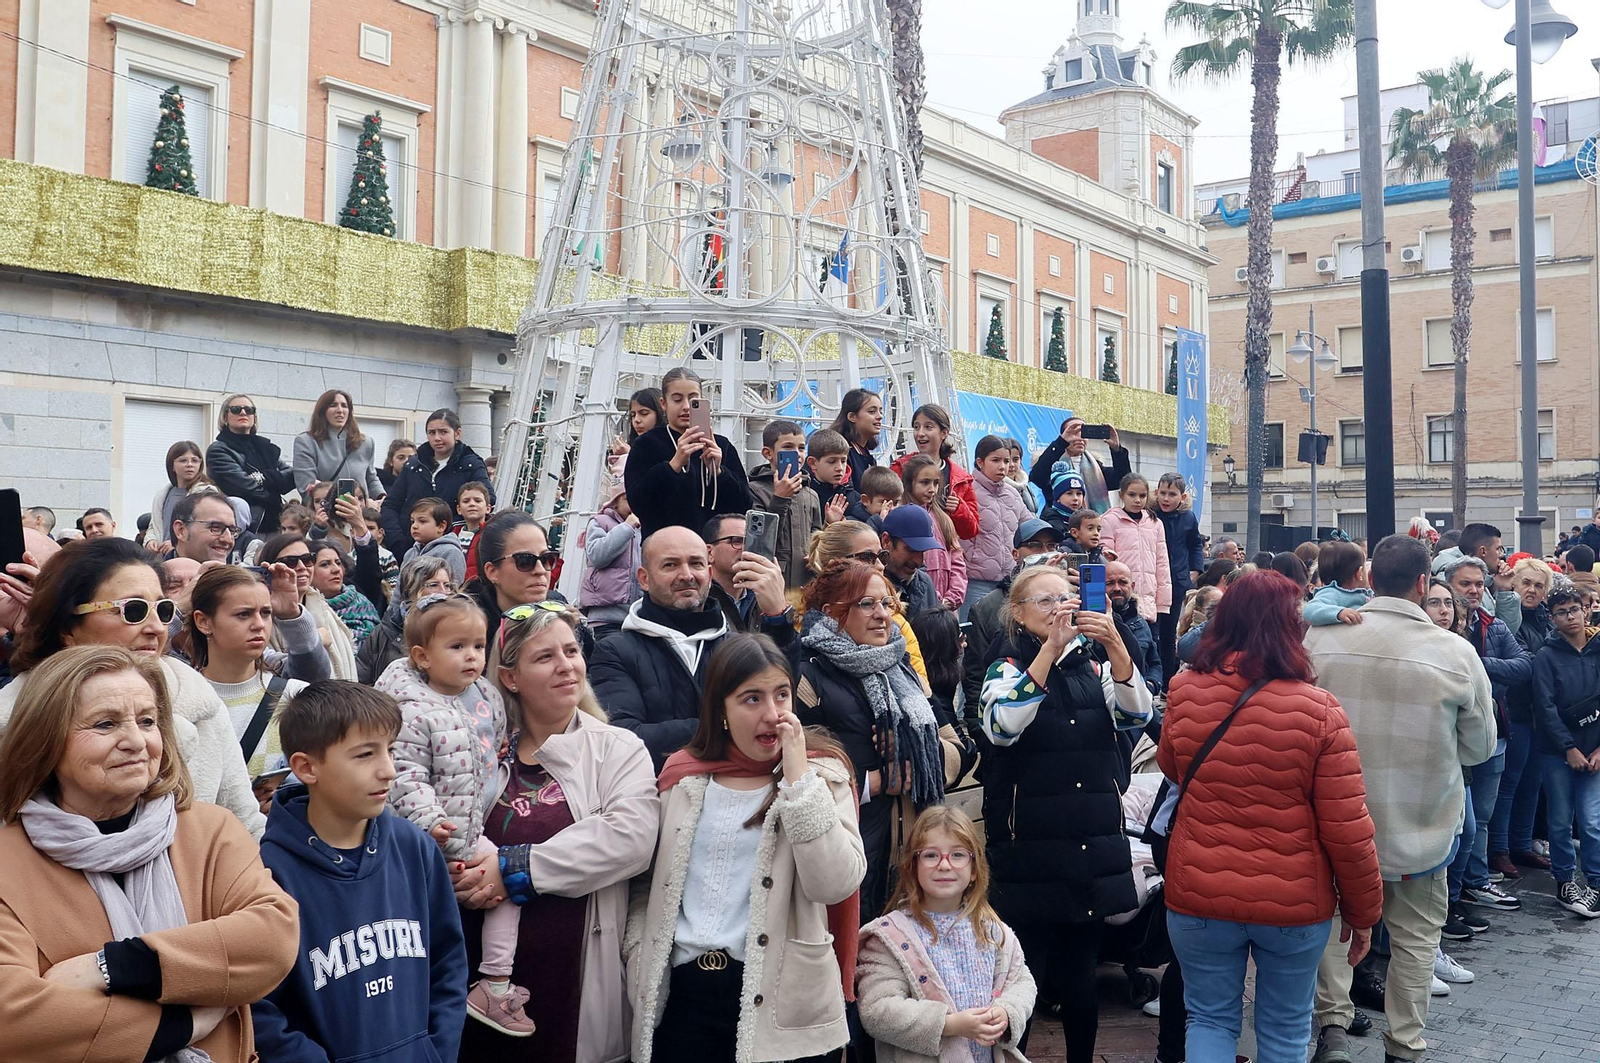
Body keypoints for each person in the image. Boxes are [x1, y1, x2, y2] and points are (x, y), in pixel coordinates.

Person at [0, 645, 298, 1060]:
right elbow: (12, 1019)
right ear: (44, 738)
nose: (136, 741)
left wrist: (112, 967)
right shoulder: (7, 864)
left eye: (147, 721)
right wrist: (181, 1025)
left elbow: (272, 938)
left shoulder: (210, 831)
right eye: (105, 724)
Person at [1160, 570, 1382, 1063]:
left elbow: (1173, 768)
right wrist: (1364, 912)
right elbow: (1347, 827)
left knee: (1210, 1019)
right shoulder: (1319, 709)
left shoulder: (1185, 688)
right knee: (1285, 1030)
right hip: (1293, 898)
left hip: (1200, 889)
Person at [627, 633, 867, 1063]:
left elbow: (835, 884)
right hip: (687, 998)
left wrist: (797, 781)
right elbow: (646, 884)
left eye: (781, 695)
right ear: (721, 709)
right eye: (752, 699)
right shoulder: (682, 777)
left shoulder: (821, 776)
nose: (773, 714)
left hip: (783, 1000)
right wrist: (638, 955)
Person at [1306, 535, 1495, 1063]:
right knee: (1415, 942)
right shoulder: (1455, 653)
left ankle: (1333, 1028)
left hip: (1335, 825)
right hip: (1423, 825)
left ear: (1369, 580)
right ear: (1421, 584)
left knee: (1337, 928)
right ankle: (1404, 1045)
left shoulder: (1319, 641)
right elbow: (1479, 747)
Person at [459, 600, 657, 1062]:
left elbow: (630, 839)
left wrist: (513, 867)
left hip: (573, 974)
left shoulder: (615, 748)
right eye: (545, 656)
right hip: (474, 975)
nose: (567, 665)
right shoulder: (480, 749)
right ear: (510, 677)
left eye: (571, 651)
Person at [979, 565, 1152, 1063]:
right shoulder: (1006, 664)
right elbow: (1002, 726)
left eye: (1064, 598)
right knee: (1023, 977)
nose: (1059, 609)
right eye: (1045, 602)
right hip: (1029, 849)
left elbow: (1137, 714)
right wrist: (1049, 652)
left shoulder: (1093, 666)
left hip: (1090, 843)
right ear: (1018, 612)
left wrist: (1116, 644)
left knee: (1080, 976)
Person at [253, 680, 469, 1063]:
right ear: (306, 767)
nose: (388, 770)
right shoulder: (268, 873)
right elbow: (260, 1009)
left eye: (390, 750)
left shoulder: (414, 847)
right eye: (365, 755)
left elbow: (447, 964)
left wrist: (437, 1050)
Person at [0, 536, 267, 836]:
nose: (155, 628)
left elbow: (247, 825)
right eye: (134, 610)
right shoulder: (14, 721)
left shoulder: (198, 700)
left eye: (163, 610)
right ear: (67, 626)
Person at [370, 592, 538, 1035]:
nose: (472, 657)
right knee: (425, 918)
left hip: (470, 826)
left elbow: (496, 738)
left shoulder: (483, 692)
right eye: (457, 647)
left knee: (506, 887)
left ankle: (495, 983)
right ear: (422, 656)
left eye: (479, 646)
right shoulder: (409, 706)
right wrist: (428, 820)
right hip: (423, 835)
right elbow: (403, 775)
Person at [797, 560, 950, 918]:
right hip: (853, 849)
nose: (883, 615)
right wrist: (873, 783)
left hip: (912, 848)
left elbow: (956, 743)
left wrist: (920, 757)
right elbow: (798, 771)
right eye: (867, 604)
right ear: (832, 613)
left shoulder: (903, 665)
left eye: (888, 603)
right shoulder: (809, 674)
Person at [856, 806, 1036, 1063]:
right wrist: (949, 1025)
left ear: (974, 869)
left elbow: (1023, 982)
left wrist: (1007, 1012)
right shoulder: (891, 937)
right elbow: (877, 1010)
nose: (944, 865)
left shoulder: (992, 931)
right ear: (912, 865)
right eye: (930, 855)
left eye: (958, 855)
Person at [589, 526, 735, 770]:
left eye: (696, 564)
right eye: (670, 565)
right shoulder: (614, 651)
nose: (687, 575)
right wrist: (725, 727)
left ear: (709, 573)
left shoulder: (735, 645)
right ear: (644, 579)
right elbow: (622, 737)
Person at [1443, 554, 1532, 925]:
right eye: (1466, 584)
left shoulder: (1491, 624)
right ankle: (1451, 895)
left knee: (1481, 816)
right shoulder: (1441, 625)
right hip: (1451, 740)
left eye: (1479, 583)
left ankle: (1474, 882)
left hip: (1494, 733)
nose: (1474, 591)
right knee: (1460, 825)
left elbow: (1525, 664)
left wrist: (1479, 665)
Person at [186, 564, 330, 778]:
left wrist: (284, 800)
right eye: (243, 614)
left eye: (266, 613)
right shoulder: (181, 697)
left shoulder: (295, 695)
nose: (259, 624)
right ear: (204, 621)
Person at [1531, 585, 1600, 918]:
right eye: (1562, 612)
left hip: (1595, 750)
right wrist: (1568, 747)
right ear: (1552, 618)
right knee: (1559, 821)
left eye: (1575, 609)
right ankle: (1564, 880)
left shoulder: (1598, 647)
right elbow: (1544, 708)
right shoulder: (1546, 655)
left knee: (1591, 821)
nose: (1570, 617)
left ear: (1585, 610)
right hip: (1556, 751)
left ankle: (1596, 883)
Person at [959, 518, 1065, 731]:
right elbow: (976, 678)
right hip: (1011, 723)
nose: (1044, 551)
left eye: (1051, 546)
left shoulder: (1071, 600)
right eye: (1034, 545)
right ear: (1016, 554)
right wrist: (978, 733)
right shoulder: (988, 607)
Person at [623, 368, 753, 540]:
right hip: (665, 547)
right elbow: (639, 504)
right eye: (677, 399)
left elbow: (744, 506)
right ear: (664, 403)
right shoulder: (647, 444)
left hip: (714, 551)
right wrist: (673, 465)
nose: (685, 406)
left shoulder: (721, 445)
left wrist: (719, 472)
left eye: (693, 399)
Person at [1490, 556, 1556, 881]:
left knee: (1533, 782)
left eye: (1538, 585)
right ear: (1513, 585)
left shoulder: (1547, 620)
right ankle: (1500, 849)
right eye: (1526, 583)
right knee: (1510, 783)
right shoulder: (1510, 623)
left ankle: (1521, 843)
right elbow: (1524, 667)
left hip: (1538, 714)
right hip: (1515, 710)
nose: (1531, 590)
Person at [803, 519, 929, 681]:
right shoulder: (801, 626)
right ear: (834, 565)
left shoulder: (894, 621)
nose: (881, 566)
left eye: (882, 556)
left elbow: (921, 690)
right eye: (867, 557)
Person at [381, 408, 495, 555]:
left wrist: (452, 529)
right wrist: (397, 540)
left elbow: (487, 498)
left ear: (457, 433)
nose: (437, 438)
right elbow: (390, 505)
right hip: (410, 548)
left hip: (452, 547)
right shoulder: (413, 466)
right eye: (431, 433)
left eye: (443, 432)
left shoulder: (471, 464)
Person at [464, 512, 578, 648]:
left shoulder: (560, 608)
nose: (540, 570)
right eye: (524, 561)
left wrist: (575, 632)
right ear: (492, 572)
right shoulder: (464, 627)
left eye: (546, 559)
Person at [259, 533, 359, 681]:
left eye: (308, 559)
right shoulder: (260, 617)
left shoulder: (325, 609)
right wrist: (314, 640)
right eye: (290, 562)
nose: (301, 567)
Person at [748, 419, 824, 591]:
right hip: (772, 582)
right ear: (768, 453)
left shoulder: (811, 494)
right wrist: (780, 498)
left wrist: (816, 556)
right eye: (788, 447)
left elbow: (816, 535)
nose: (797, 453)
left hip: (805, 583)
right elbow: (758, 542)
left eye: (801, 448)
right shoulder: (755, 490)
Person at [207, 393, 298, 534]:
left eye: (249, 410)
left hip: (276, 523)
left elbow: (292, 476)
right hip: (244, 528)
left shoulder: (265, 447)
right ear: (225, 417)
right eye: (236, 409)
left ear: (254, 417)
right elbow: (243, 488)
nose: (243, 412)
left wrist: (263, 478)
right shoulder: (218, 450)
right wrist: (274, 484)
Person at [701, 514, 802, 639]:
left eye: (752, 542)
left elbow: (788, 656)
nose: (746, 549)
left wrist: (777, 615)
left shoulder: (764, 595)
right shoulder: (698, 597)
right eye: (736, 541)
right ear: (709, 552)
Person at [890, 403, 981, 542]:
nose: (920, 433)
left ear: (944, 433)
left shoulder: (961, 478)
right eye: (916, 427)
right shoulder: (899, 468)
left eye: (928, 427)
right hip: (908, 548)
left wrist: (958, 509)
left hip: (945, 552)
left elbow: (971, 531)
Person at [360, 556, 456, 685]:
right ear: (412, 590)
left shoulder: (458, 630)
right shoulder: (385, 631)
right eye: (434, 585)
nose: (443, 592)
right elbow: (361, 679)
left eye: (447, 585)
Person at [963, 435, 1026, 618]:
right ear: (980, 462)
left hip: (1008, 582)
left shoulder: (1013, 494)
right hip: (975, 581)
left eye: (1006, 461)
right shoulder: (966, 490)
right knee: (974, 637)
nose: (1003, 466)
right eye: (995, 460)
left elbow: (1028, 526)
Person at [580, 458, 642, 638]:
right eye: (628, 498)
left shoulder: (644, 526)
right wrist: (626, 528)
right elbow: (597, 555)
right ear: (615, 501)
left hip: (637, 615)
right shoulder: (600, 522)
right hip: (606, 614)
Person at [1099, 474, 1171, 627]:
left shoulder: (1155, 523)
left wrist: (1163, 603)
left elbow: (1162, 563)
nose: (1137, 500)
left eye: (1142, 495)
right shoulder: (1109, 520)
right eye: (1132, 495)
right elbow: (1106, 561)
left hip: (1149, 601)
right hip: (1120, 598)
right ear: (1121, 495)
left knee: (1149, 644)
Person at [1152, 473, 1204, 681]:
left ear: (1182, 497)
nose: (1166, 499)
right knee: (1151, 632)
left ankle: (1167, 679)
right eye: (1163, 493)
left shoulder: (1188, 517)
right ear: (1156, 493)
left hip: (1177, 581)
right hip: (1153, 580)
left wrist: (1195, 570)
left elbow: (1195, 544)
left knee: (1167, 633)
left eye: (1171, 494)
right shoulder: (1150, 514)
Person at [900, 454, 968, 611]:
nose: (932, 489)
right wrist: (933, 597)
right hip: (918, 605)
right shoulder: (902, 516)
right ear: (909, 483)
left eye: (936, 483)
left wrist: (953, 597)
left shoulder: (942, 518)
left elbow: (957, 560)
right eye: (925, 483)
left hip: (946, 608)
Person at [292, 388, 386, 499]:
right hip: (324, 512)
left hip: (360, 512)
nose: (340, 410)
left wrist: (381, 497)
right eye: (333, 405)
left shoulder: (366, 443)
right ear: (322, 411)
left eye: (344, 406)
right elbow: (306, 486)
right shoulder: (306, 442)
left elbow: (370, 477)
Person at [1027, 417, 1131, 516]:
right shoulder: (1052, 463)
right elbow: (1037, 477)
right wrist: (1060, 443)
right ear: (1063, 436)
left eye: (1084, 433)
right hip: (1058, 523)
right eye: (1073, 433)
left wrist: (1116, 449)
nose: (1079, 438)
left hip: (1093, 525)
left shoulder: (1096, 467)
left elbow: (1123, 479)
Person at [311, 540, 382, 646]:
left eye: (338, 563)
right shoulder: (303, 612)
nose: (336, 569)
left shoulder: (362, 603)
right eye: (325, 564)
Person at [1107, 560, 1163, 692]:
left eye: (1122, 582)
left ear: (1132, 586)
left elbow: (1154, 662)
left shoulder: (1141, 623)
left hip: (1138, 696)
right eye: (1109, 583)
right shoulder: (1089, 621)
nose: (1117, 588)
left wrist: (1151, 685)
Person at [881, 505, 943, 619]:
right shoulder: (869, 587)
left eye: (923, 551)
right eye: (911, 549)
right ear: (886, 541)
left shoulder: (925, 583)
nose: (918, 561)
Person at [807, 427, 872, 525]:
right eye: (832, 461)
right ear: (813, 463)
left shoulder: (856, 500)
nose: (840, 468)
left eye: (843, 461)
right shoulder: (805, 495)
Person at [827, 385, 884, 490]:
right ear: (852, 417)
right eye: (872, 411)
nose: (880, 416)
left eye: (880, 411)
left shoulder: (865, 453)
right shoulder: (841, 453)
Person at [1303, 541, 1372, 627]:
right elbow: (1309, 610)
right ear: (1359, 573)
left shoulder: (1366, 593)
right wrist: (1339, 613)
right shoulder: (1332, 593)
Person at [404, 497, 468, 585]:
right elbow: (400, 588)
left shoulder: (451, 553)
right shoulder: (410, 553)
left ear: (441, 526)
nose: (414, 526)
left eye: (422, 521)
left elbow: (453, 588)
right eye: (412, 521)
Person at [169, 489, 243, 564]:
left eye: (232, 531)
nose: (228, 539)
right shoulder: (159, 574)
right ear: (181, 530)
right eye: (216, 528)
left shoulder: (240, 575)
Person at [1041, 464, 1087, 539]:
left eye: (1079, 494)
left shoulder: (1087, 520)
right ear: (1058, 498)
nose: (1075, 498)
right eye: (1069, 493)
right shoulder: (1050, 522)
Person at [455, 480, 493, 554]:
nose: (472, 504)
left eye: (477, 501)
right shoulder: (452, 536)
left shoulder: (493, 535)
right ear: (459, 509)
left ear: (488, 508)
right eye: (466, 501)